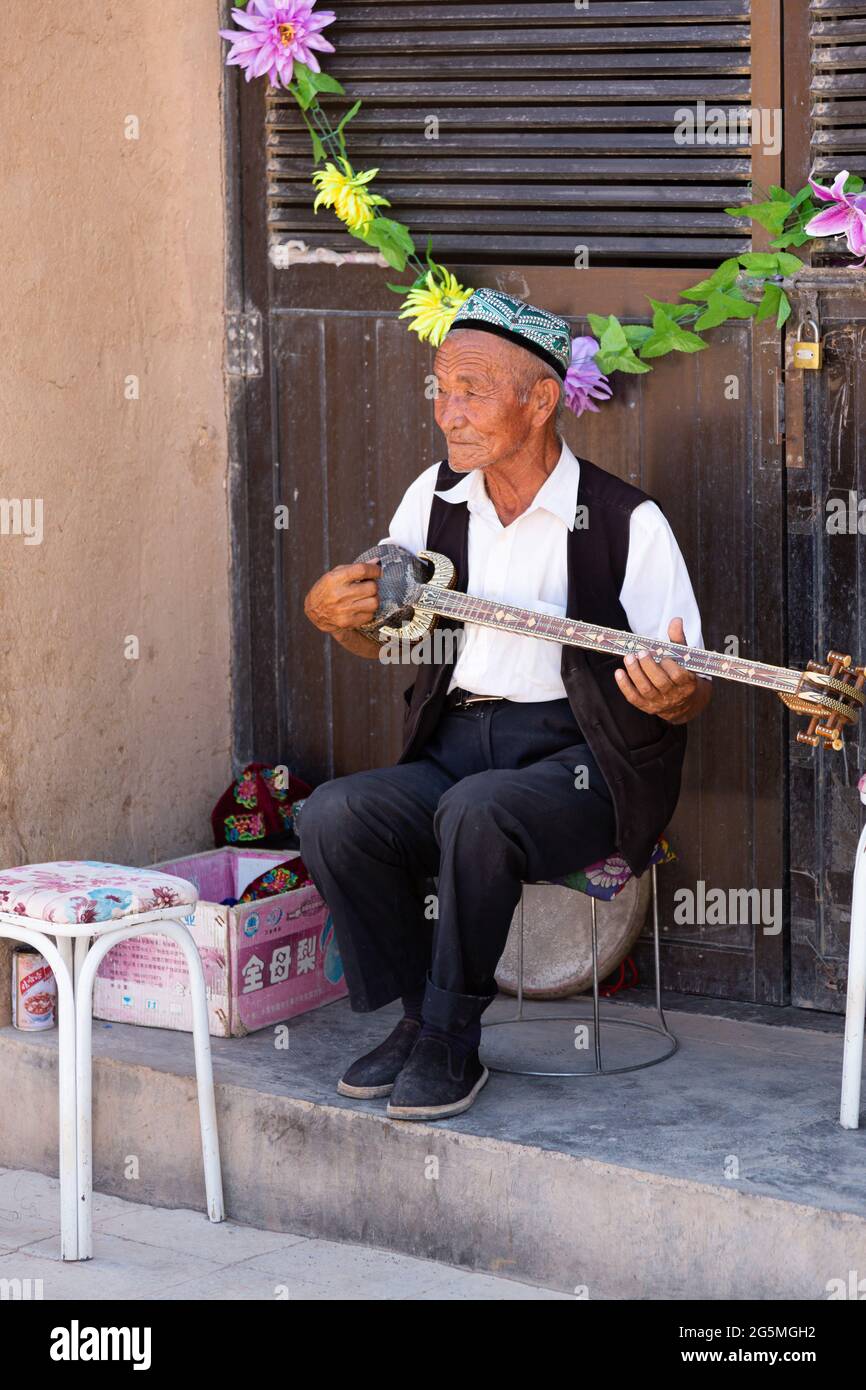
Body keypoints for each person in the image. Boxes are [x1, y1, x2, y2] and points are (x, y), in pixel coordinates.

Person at [300, 288, 711, 1121]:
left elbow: (688, 685)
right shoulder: (434, 499)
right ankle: (419, 1019)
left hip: (584, 761)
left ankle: (453, 1039)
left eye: (473, 391)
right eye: (441, 387)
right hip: (456, 744)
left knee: (478, 813)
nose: (448, 412)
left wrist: (676, 696)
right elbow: (390, 636)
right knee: (333, 814)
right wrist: (333, 621)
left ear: (540, 400)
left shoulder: (630, 521)